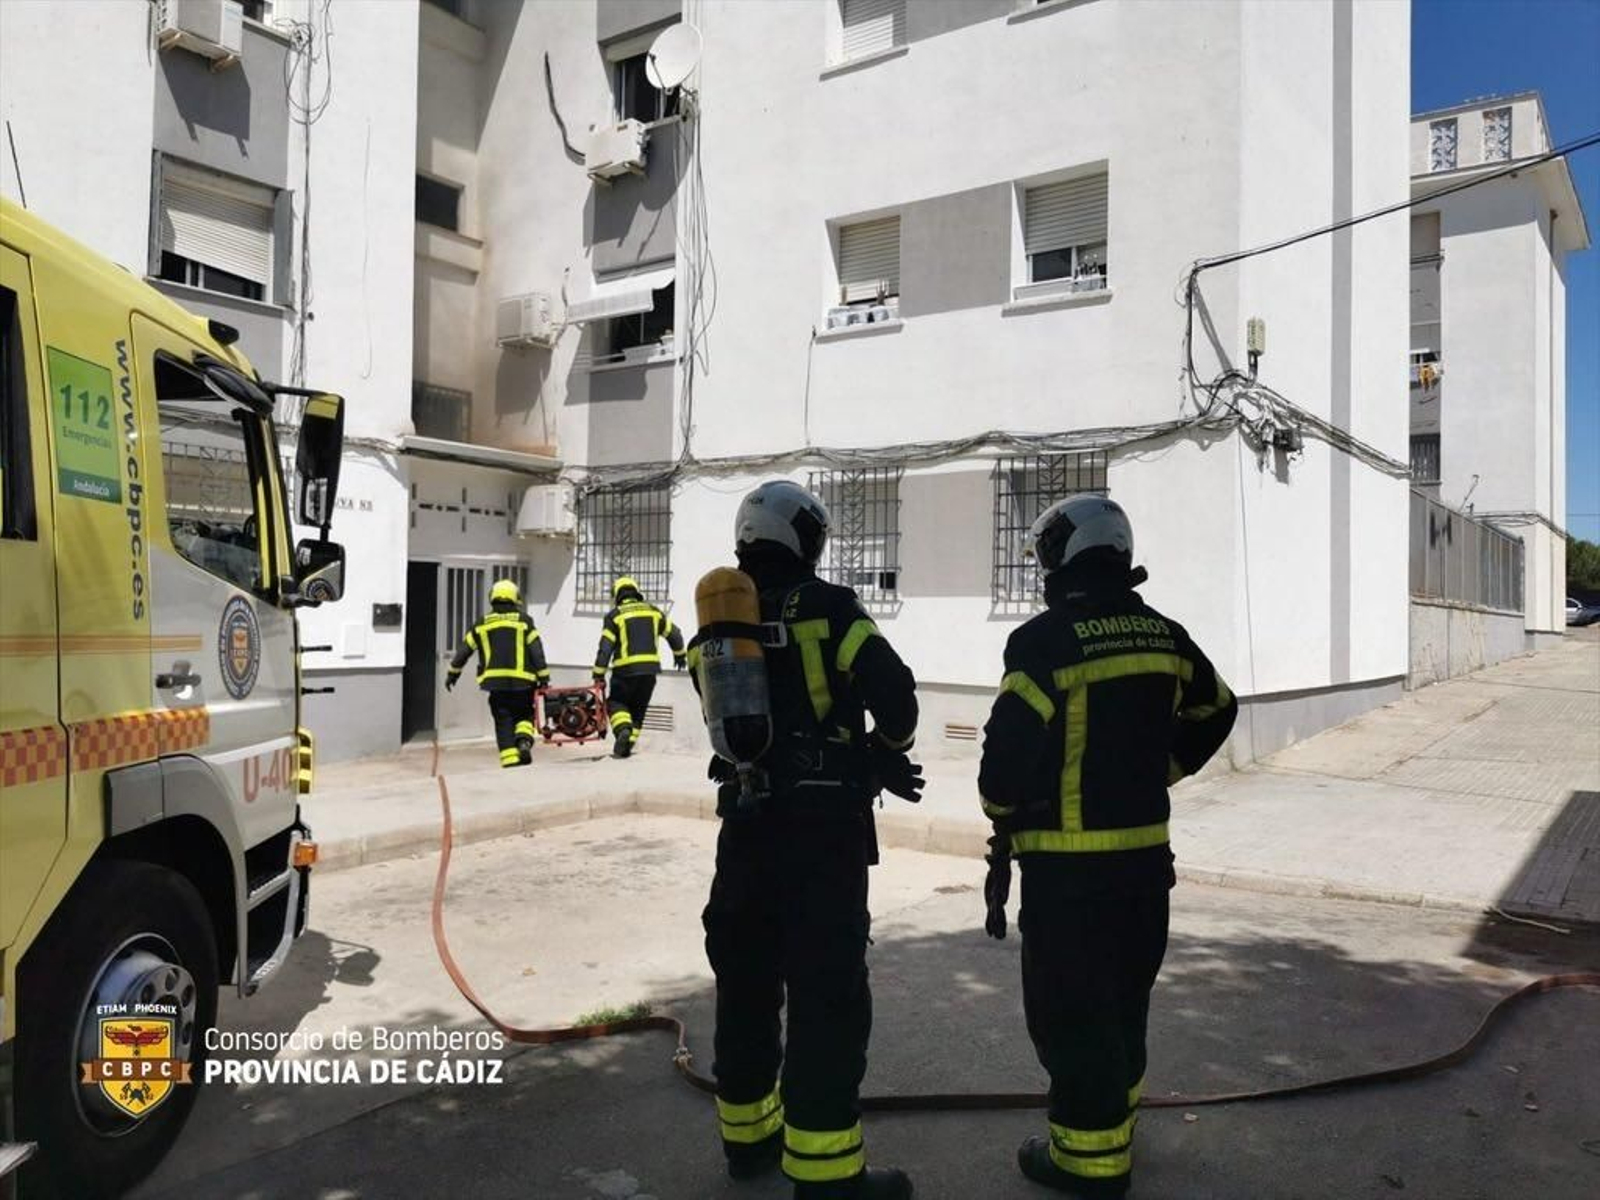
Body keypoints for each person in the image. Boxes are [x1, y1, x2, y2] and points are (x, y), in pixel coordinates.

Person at [977, 495, 1237, 1197]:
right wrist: (1164, 769)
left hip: (1068, 871)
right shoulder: (1165, 634)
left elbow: (1006, 752)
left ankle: (1087, 1163)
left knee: (1071, 1012)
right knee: (1125, 999)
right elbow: (1220, 707)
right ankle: (1115, 1121)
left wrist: (999, 808)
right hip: (1147, 866)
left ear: (1062, 557)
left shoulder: (1042, 642)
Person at [691, 481, 924, 1200]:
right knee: (827, 995)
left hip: (746, 830)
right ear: (804, 538)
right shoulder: (830, 608)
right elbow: (899, 697)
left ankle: (748, 1143)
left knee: (746, 983)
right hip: (822, 836)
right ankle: (828, 1177)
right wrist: (886, 751)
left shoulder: (718, 621)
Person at [445, 578, 550, 768]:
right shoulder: (524, 622)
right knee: (525, 714)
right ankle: (524, 741)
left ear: (492, 598)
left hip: (495, 685)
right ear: (514, 598)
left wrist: (453, 673)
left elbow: (464, 651)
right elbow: (536, 650)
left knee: (503, 720)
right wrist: (544, 677)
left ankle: (510, 760)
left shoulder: (481, 624)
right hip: (523, 683)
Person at [591, 575, 686, 758]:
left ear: (617, 594)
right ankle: (627, 745)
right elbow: (675, 634)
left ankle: (623, 731)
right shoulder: (654, 612)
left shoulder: (615, 616)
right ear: (636, 591)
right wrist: (679, 655)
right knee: (638, 709)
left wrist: (598, 673)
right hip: (649, 673)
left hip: (624, 672)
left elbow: (605, 648)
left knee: (617, 703)